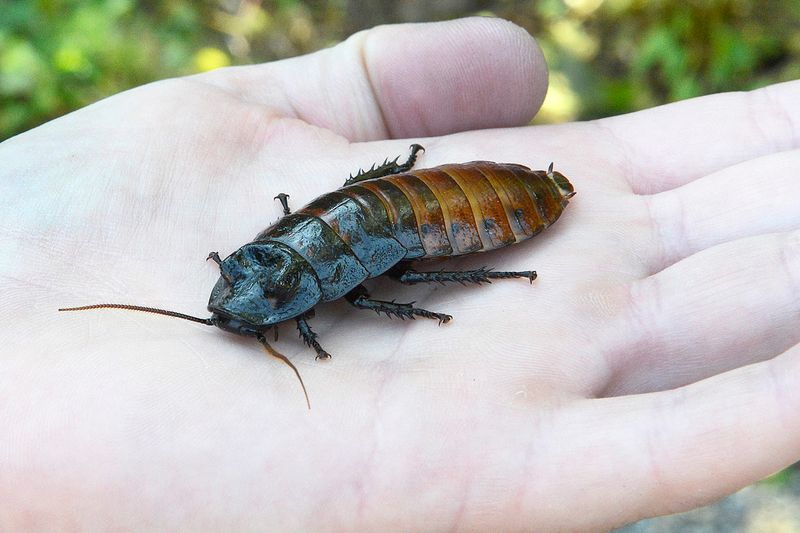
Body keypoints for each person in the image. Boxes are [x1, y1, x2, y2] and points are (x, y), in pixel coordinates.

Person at [0, 16, 797, 531]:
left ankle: (479, 250)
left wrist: (405, 309)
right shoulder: (280, 265)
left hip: (459, 201)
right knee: (399, 263)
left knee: (408, 277)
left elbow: (383, 288)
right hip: (401, 201)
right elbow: (344, 263)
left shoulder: (302, 289)